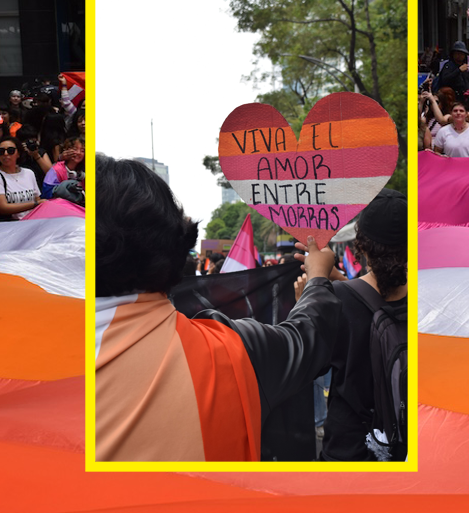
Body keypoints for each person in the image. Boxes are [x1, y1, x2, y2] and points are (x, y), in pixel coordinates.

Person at [95, 156, 341, 461]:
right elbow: (309, 336)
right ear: (174, 244)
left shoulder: (41, 352)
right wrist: (318, 277)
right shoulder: (230, 351)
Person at [295, 189, 408, 461]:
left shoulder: (336, 300)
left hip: (349, 451)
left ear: (362, 245)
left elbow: (304, 364)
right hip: (403, 449)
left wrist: (309, 297)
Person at [0, 136, 43, 220]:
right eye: (1, 151)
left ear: (18, 153)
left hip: (33, 222)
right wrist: (34, 204)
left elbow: (37, 199)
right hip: (12, 227)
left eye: (10, 151)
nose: (5, 154)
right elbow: (3, 207)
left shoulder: (29, 173)